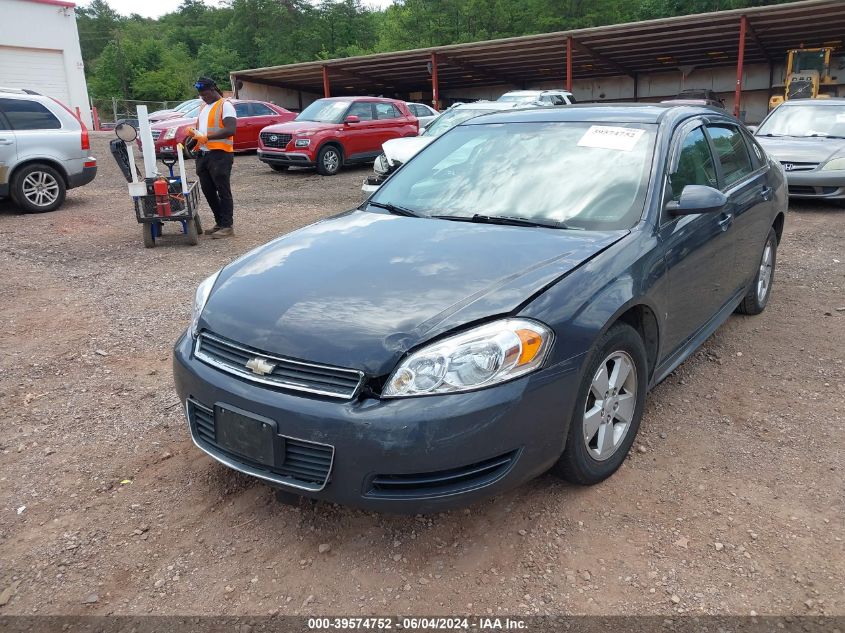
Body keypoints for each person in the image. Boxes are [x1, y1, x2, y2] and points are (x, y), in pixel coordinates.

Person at [187, 77, 237, 238]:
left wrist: (208, 137)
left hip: (220, 154)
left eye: (206, 94)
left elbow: (230, 129)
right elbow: (200, 131)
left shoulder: (226, 105)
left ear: (214, 89)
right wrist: (191, 142)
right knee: (208, 191)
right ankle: (219, 222)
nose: (204, 97)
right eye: (201, 95)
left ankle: (227, 226)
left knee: (223, 190)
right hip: (203, 154)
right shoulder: (203, 107)